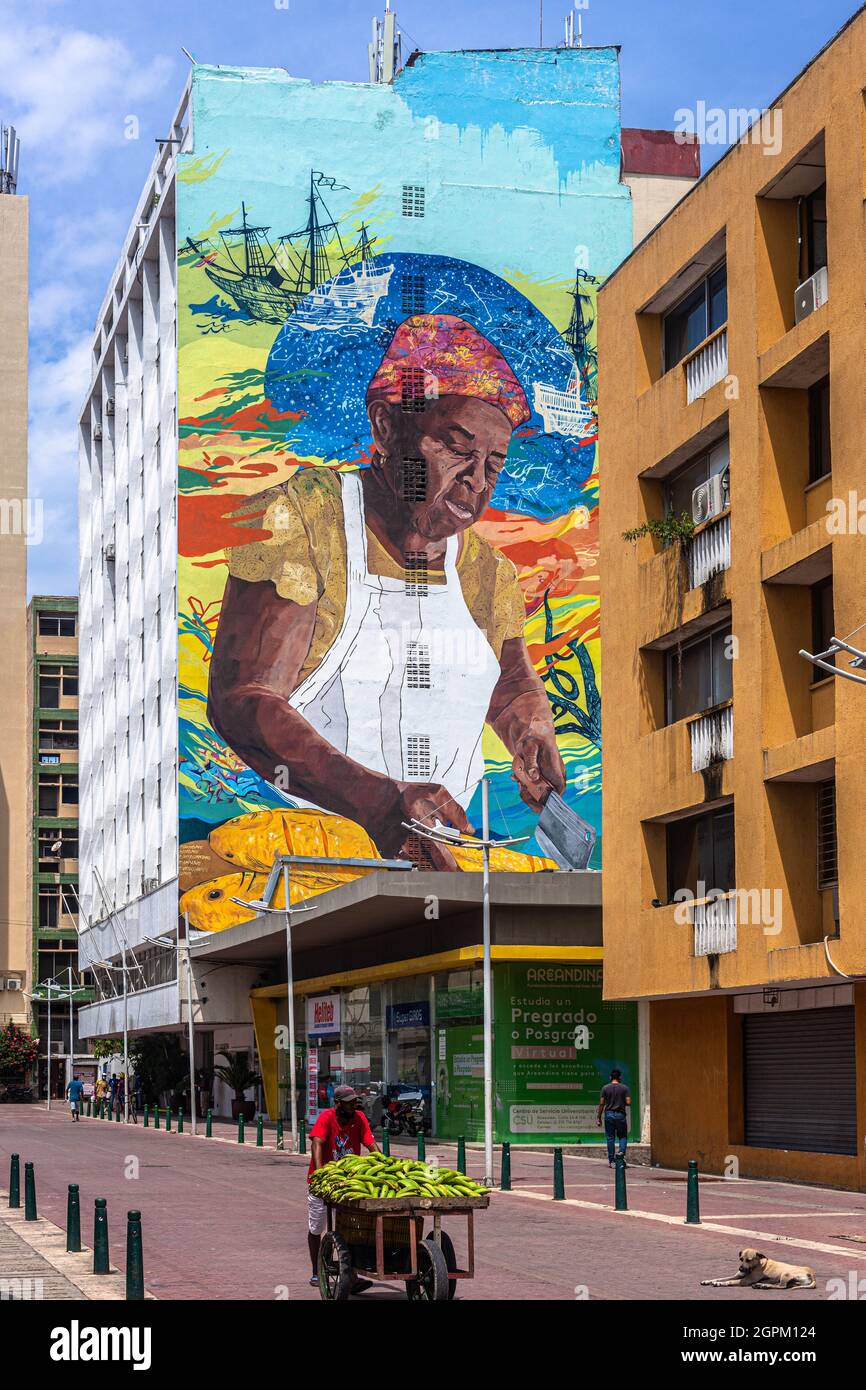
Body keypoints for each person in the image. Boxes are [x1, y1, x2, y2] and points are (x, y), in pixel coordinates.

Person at [209, 313, 566, 870]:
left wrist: (530, 729)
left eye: (493, 464)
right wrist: (380, 804)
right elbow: (244, 700)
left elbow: (511, 680)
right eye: (454, 448)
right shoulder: (302, 517)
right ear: (385, 427)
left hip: (445, 851)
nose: (475, 479)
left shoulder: (487, 571)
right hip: (305, 857)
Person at [307, 1084, 378, 1290]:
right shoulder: (326, 1118)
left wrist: (384, 1165)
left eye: (355, 1101)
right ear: (337, 1103)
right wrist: (321, 1175)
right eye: (349, 1102)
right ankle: (316, 1271)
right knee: (317, 1227)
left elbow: (371, 1145)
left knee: (350, 1229)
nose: (354, 1105)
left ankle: (351, 1275)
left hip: (349, 1183)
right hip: (322, 1182)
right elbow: (317, 1143)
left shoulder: (359, 1118)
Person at [596, 1067, 632, 1167]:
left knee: (610, 1137)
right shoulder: (625, 1088)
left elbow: (602, 1103)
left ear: (610, 1077)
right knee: (623, 1136)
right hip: (620, 1115)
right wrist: (621, 1101)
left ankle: (612, 1161)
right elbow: (629, 1102)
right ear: (619, 1078)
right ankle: (621, 1156)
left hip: (609, 1114)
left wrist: (598, 1117)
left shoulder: (605, 1088)